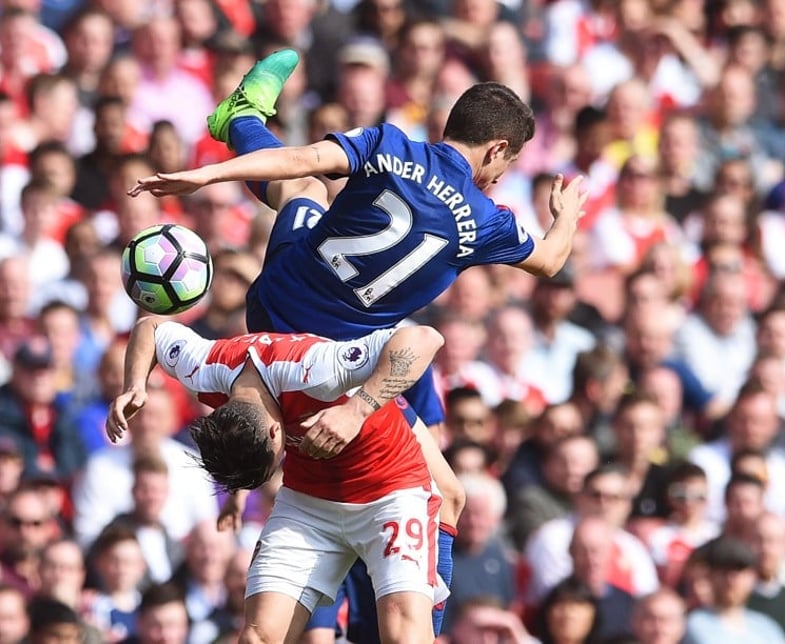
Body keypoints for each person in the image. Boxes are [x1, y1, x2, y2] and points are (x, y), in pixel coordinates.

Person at [131, 47, 587, 637]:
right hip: (341, 355)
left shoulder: (391, 145)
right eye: (509, 162)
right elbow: (550, 260)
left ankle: (240, 119)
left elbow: (301, 156)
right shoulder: (484, 217)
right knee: (443, 494)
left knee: (304, 187)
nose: (503, 175)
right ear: (497, 150)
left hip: (282, 298)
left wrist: (206, 175)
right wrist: (568, 212)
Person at [106, 317, 447, 643]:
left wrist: (357, 409)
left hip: (389, 493)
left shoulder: (318, 370)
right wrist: (135, 385)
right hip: (307, 503)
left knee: (404, 636)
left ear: (273, 431)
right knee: (257, 636)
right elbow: (151, 327)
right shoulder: (204, 366)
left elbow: (425, 338)